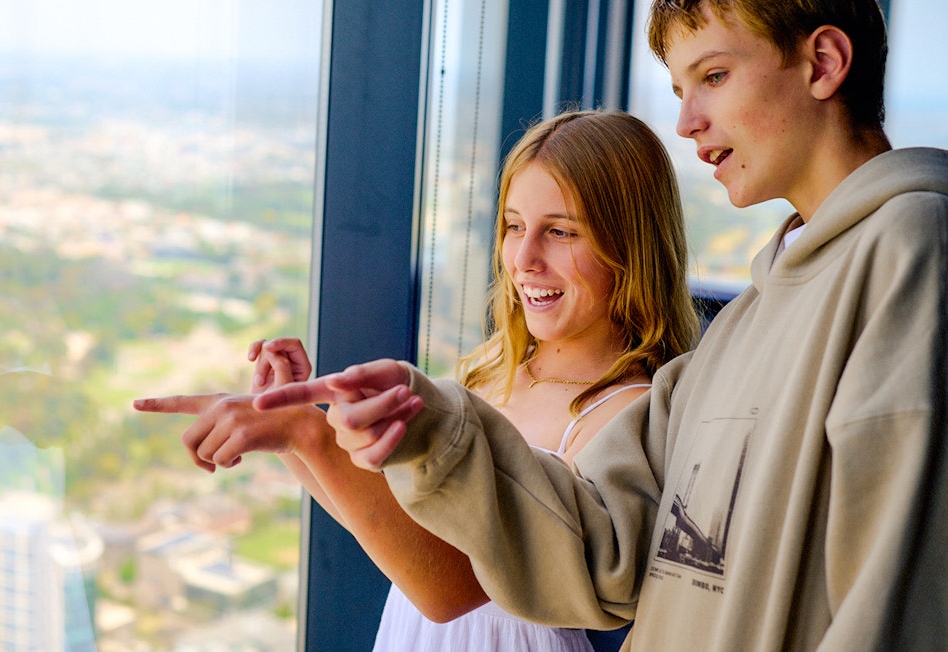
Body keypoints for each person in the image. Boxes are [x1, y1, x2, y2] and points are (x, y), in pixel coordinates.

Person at [254, 0, 948, 649]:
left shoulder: (910, 249)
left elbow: (897, 590)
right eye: (680, 91)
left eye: (713, 75)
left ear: (822, 63)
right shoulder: (748, 321)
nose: (687, 122)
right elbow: (599, 556)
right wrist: (421, 425)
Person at [135, 108, 700, 650]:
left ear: (632, 245)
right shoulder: (489, 376)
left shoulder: (621, 414)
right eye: (513, 226)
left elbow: (451, 589)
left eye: (562, 232)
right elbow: (401, 528)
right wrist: (292, 424)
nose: (523, 258)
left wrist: (303, 433)